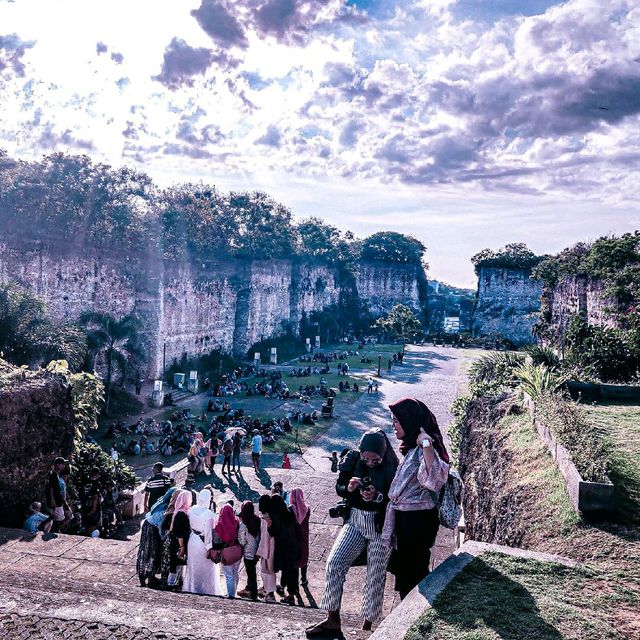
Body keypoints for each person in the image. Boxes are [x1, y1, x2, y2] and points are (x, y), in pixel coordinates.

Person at [307, 429, 398, 636]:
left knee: (375, 575)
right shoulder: (353, 459)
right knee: (335, 562)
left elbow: (395, 499)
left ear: (383, 456)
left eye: (375, 460)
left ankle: (367, 626)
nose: (370, 463)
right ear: (360, 452)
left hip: (380, 524)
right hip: (356, 520)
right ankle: (332, 618)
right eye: (366, 458)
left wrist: (376, 496)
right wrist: (348, 488)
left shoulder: (391, 467)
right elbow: (339, 486)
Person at [384, 398, 450, 599]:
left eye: (396, 421)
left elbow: (434, 478)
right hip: (407, 521)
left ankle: (413, 616)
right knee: (407, 574)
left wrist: (426, 442)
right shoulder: (411, 448)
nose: (393, 425)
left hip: (418, 523)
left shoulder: (424, 448)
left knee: (414, 576)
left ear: (409, 421)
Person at [183, 489, 221, 595]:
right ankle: (206, 589)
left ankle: (193, 587)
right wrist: (209, 548)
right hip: (202, 543)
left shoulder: (192, 509)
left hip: (192, 539)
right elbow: (208, 533)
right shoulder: (209, 514)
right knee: (206, 568)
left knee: (193, 565)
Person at [137, 487, 176, 587]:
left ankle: (151, 576)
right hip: (151, 529)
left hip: (149, 526)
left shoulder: (161, 502)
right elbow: (160, 526)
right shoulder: (164, 508)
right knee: (150, 552)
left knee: (150, 552)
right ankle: (146, 576)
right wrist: (163, 537)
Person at [266, 494, 300, 605]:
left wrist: (269, 524)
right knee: (292, 571)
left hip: (283, 547)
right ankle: (291, 593)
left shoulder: (276, 516)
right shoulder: (289, 512)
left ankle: (290, 596)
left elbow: (273, 532)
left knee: (287, 570)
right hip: (293, 545)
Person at [161, 489, 191, 589]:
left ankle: (173, 583)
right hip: (178, 544)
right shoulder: (181, 515)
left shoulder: (178, 512)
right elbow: (180, 534)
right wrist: (182, 547)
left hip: (175, 542)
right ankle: (171, 584)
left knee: (176, 564)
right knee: (176, 564)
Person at [213, 503, 241, 598]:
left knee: (229, 575)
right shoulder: (237, 522)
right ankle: (234, 591)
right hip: (237, 552)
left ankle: (231, 594)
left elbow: (216, 542)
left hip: (225, 553)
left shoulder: (219, 526)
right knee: (235, 573)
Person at [237, 501, 261, 600]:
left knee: (251, 573)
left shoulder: (243, 524)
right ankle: (248, 588)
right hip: (257, 550)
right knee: (252, 571)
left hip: (248, 552)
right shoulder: (257, 519)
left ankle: (253, 594)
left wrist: (241, 547)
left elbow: (242, 541)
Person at [256, 494, 276, 603]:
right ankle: (267, 590)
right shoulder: (273, 515)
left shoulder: (265, 518)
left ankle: (270, 594)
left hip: (267, 548)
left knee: (268, 571)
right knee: (269, 570)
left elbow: (264, 537)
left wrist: (260, 551)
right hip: (271, 547)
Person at [290, 487, 310, 587]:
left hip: (294, 537)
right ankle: (304, 578)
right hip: (304, 535)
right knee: (304, 555)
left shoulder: (290, 509)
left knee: (295, 558)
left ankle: (295, 583)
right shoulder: (307, 508)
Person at [46, 457, 69, 531]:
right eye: (62, 464)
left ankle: (54, 530)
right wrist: (52, 500)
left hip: (58, 500)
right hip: (56, 500)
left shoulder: (56, 474)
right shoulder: (54, 474)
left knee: (58, 517)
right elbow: (51, 488)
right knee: (58, 519)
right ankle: (54, 531)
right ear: (57, 465)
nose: (64, 466)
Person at [80, 467, 103, 537]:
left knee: (87, 523)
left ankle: (84, 534)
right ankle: (85, 536)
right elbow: (95, 497)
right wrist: (94, 509)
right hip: (93, 509)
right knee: (95, 525)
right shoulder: (96, 484)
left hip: (85, 507)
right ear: (97, 474)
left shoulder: (84, 482)